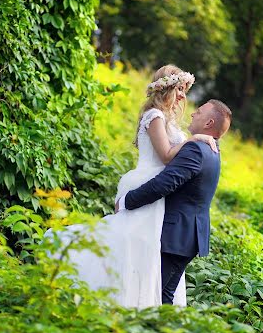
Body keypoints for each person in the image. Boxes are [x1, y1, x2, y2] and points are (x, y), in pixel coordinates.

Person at [43, 64, 217, 308]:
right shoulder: (154, 116)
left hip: (160, 193)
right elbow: (167, 155)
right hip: (147, 182)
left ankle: (140, 304)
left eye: (184, 90)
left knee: (144, 251)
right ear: (166, 88)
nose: (182, 96)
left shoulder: (170, 121)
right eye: (179, 89)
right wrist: (195, 140)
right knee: (130, 245)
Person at [116, 98, 232, 304]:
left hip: (176, 235)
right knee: (162, 295)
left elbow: (163, 184)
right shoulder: (213, 150)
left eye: (200, 111)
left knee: (156, 296)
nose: (194, 112)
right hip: (187, 235)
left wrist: (126, 201)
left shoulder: (196, 150)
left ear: (209, 124)